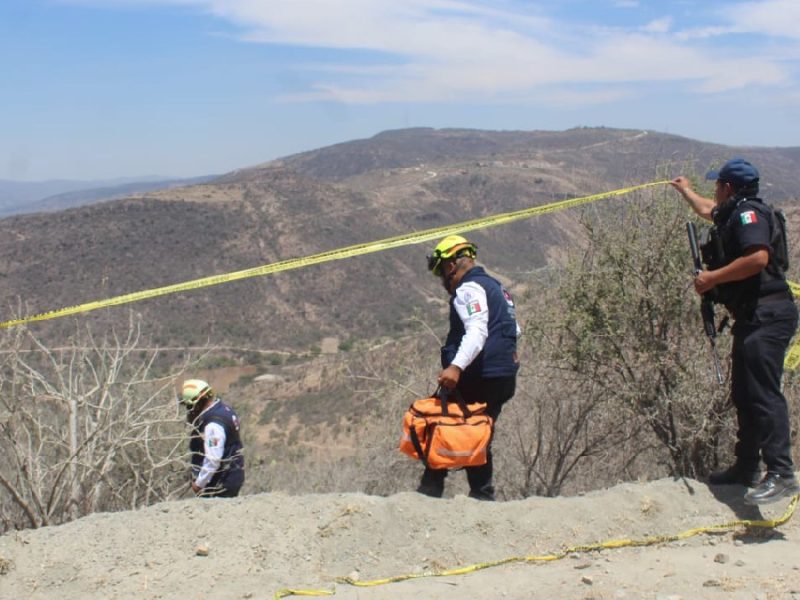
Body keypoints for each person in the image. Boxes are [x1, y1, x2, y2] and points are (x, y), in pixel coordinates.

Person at [670, 158, 800, 505]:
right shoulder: (733, 213)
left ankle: (781, 473)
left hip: (768, 314)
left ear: (729, 187)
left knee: (764, 393)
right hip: (752, 316)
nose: (715, 191)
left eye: (718, 186)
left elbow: (757, 258)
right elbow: (707, 209)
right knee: (744, 392)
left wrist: (712, 278)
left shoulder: (748, 216)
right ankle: (746, 467)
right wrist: (685, 191)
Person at [419, 235, 520, 500]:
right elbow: (513, 328)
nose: (443, 282)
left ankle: (430, 492)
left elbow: (476, 331)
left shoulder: (468, 288)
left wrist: (455, 367)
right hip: (503, 377)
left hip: (480, 376)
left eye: (441, 273)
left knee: (440, 424)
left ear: (451, 265)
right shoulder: (498, 288)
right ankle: (481, 494)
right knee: (477, 430)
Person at [179, 378, 245, 498]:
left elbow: (213, 459)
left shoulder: (212, 426)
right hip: (233, 473)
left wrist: (199, 484)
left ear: (198, 403)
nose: (189, 410)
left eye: (189, 406)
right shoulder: (225, 410)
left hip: (220, 482)